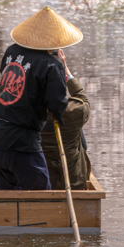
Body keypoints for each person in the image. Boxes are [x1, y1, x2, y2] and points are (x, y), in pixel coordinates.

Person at [0, 5, 82, 191]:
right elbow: (56, 104)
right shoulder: (52, 65)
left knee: (7, 196)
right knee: (41, 198)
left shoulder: (11, 51)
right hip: (22, 142)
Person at [41, 49, 91, 189]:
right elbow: (82, 98)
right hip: (74, 181)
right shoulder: (76, 110)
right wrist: (66, 71)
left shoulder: (28, 110)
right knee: (78, 134)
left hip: (42, 181)